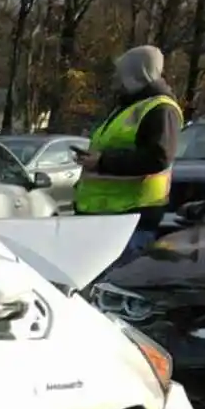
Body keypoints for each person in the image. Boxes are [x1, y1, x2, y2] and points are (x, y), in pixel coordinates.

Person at [74, 45, 184, 261]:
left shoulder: (160, 109)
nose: (117, 79)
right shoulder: (128, 107)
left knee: (114, 283)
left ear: (137, 74)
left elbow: (158, 157)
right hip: (109, 218)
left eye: (122, 73)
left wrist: (103, 162)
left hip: (131, 219)